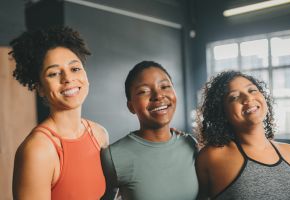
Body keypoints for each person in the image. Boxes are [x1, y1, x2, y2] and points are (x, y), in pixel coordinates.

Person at [10, 26, 108, 200]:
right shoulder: (38, 150)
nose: (68, 79)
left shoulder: (99, 134)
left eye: (75, 69)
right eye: (54, 73)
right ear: (40, 88)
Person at [101, 61, 199, 200]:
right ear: (131, 106)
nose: (158, 95)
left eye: (164, 86)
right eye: (143, 91)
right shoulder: (113, 156)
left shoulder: (190, 144)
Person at [195, 70, 290, 200]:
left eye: (252, 90)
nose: (248, 98)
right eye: (234, 97)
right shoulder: (213, 157)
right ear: (222, 113)